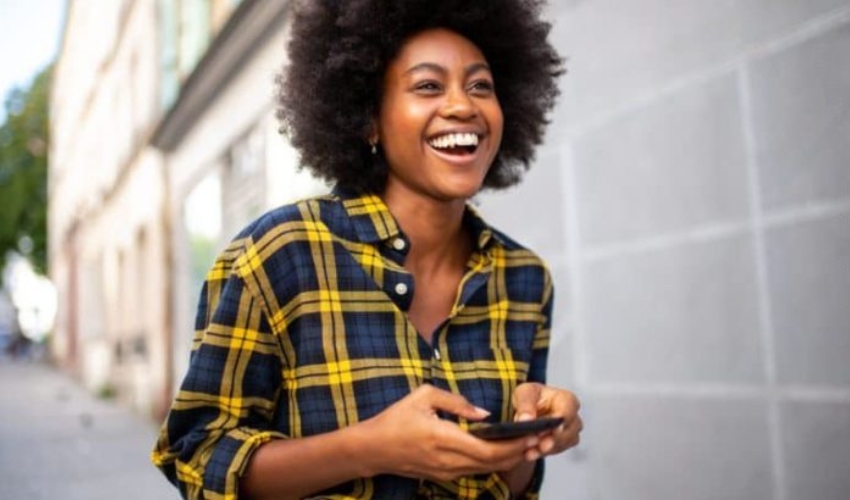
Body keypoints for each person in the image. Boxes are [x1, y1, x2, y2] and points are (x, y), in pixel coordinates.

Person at [152, 1, 582, 498]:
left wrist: (530, 439)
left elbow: (511, 490)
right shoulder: (278, 256)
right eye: (427, 85)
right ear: (368, 120)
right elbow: (195, 457)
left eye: (480, 85)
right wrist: (371, 447)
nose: (464, 105)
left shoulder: (525, 278)